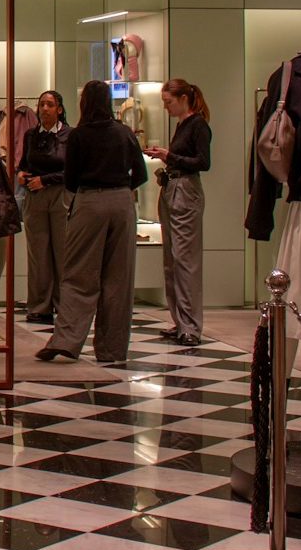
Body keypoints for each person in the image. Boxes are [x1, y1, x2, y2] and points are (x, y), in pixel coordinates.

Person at [37, 79, 148, 364]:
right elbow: (141, 173)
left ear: (84, 102)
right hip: (122, 203)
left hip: (90, 202)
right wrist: (121, 189)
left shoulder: (80, 135)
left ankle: (66, 339)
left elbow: (71, 178)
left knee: (78, 273)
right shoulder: (124, 133)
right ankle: (112, 349)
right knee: (119, 279)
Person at [145, 78, 211, 347]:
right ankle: (181, 321)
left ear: (184, 98)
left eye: (168, 102)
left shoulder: (198, 125)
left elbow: (203, 162)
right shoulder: (183, 124)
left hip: (185, 190)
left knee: (185, 260)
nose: (166, 107)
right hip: (173, 188)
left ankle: (191, 326)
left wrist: (169, 156)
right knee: (172, 260)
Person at [18, 90, 69, 325]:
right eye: (41, 104)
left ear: (59, 109)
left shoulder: (69, 135)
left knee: (62, 250)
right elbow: (24, 163)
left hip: (60, 195)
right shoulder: (31, 135)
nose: (45, 109)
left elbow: (73, 170)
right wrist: (21, 174)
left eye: (50, 104)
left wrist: (46, 180)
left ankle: (64, 303)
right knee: (38, 253)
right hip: (35, 196)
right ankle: (40, 306)